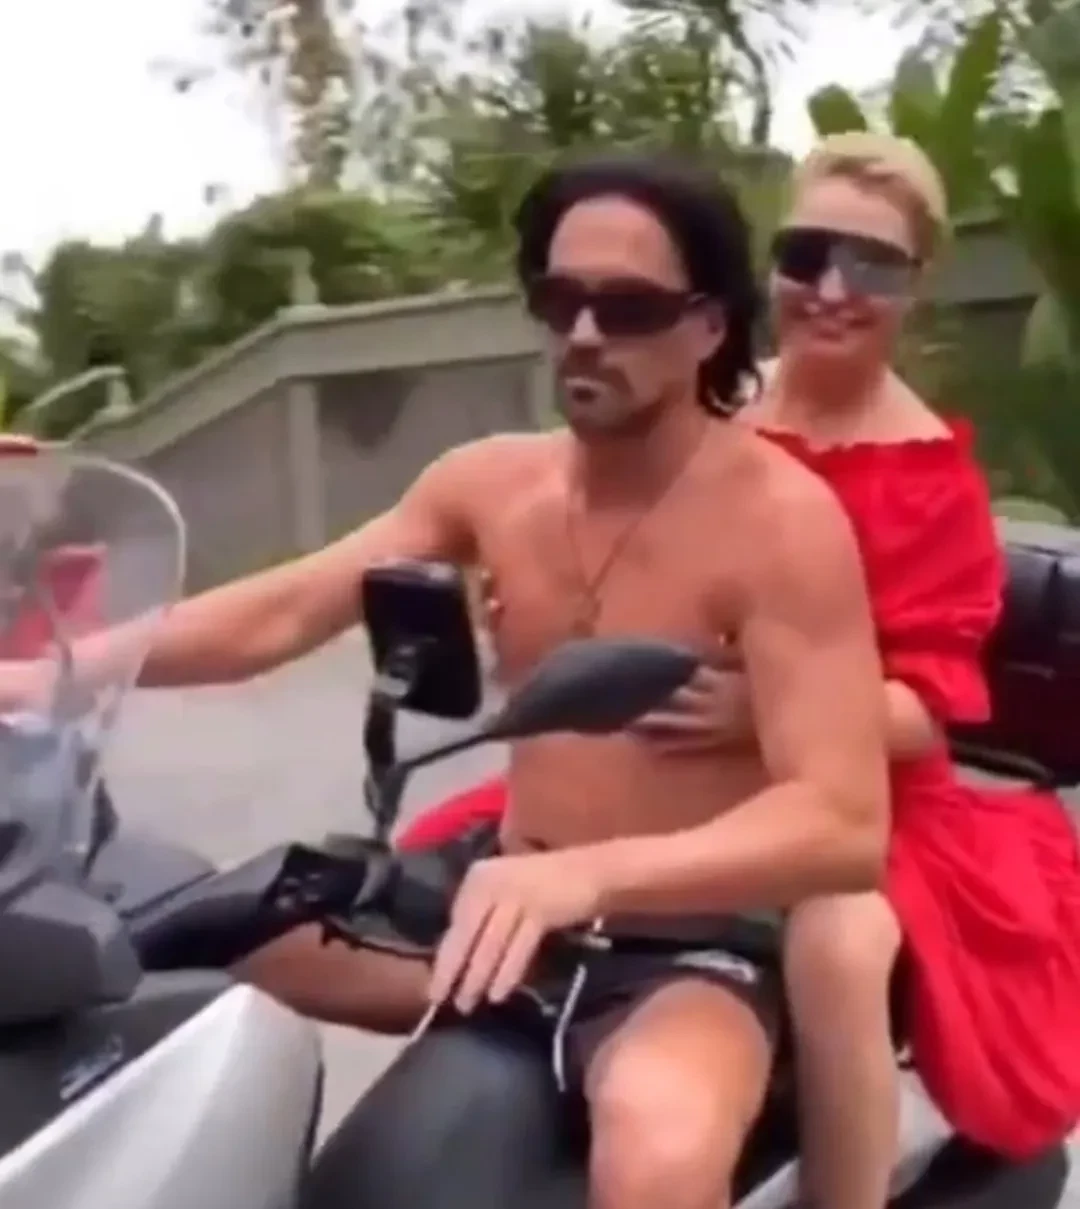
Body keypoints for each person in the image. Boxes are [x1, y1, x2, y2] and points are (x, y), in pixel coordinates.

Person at [28, 153, 889, 1209]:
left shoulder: (782, 523)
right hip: (503, 902)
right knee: (167, 950)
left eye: (627, 308)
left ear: (708, 325)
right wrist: (49, 673)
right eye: (561, 301)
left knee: (657, 1156)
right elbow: (283, 611)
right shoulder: (491, 484)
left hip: (688, 941)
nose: (584, 334)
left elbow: (842, 819)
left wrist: (592, 878)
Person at [401, 133, 1080, 1203]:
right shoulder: (692, 400)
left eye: (873, 266)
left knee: (836, 945)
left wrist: (769, 712)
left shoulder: (930, 482)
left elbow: (932, 706)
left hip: (862, 799)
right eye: (807, 254)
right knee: (410, 892)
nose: (832, 290)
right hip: (667, 769)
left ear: (916, 286)